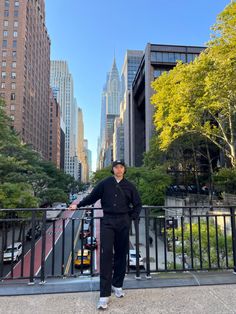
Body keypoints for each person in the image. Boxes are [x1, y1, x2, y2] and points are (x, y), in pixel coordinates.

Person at [77, 160, 142, 310]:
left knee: (121, 254)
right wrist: (78, 204)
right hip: (108, 221)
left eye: (121, 167)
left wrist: (131, 217)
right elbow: (92, 197)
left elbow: (138, 204)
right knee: (105, 255)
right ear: (112, 169)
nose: (119, 169)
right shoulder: (104, 183)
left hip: (124, 222)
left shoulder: (130, 186)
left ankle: (117, 285)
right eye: (116, 167)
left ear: (124, 170)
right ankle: (103, 295)